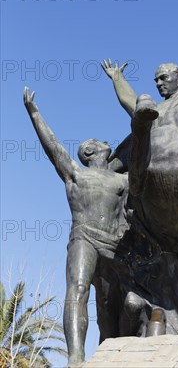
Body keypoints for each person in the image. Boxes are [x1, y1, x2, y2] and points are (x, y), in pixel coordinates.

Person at [23, 88, 129, 366]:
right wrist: (34, 113)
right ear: (89, 150)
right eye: (100, 140)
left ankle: (110, 351)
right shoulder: (76, 173)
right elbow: (53, 146)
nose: (107, 142)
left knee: (109, 305)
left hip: (115, 244)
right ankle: (75, 357)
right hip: (84, 238)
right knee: (78, 289)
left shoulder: (123, 181)